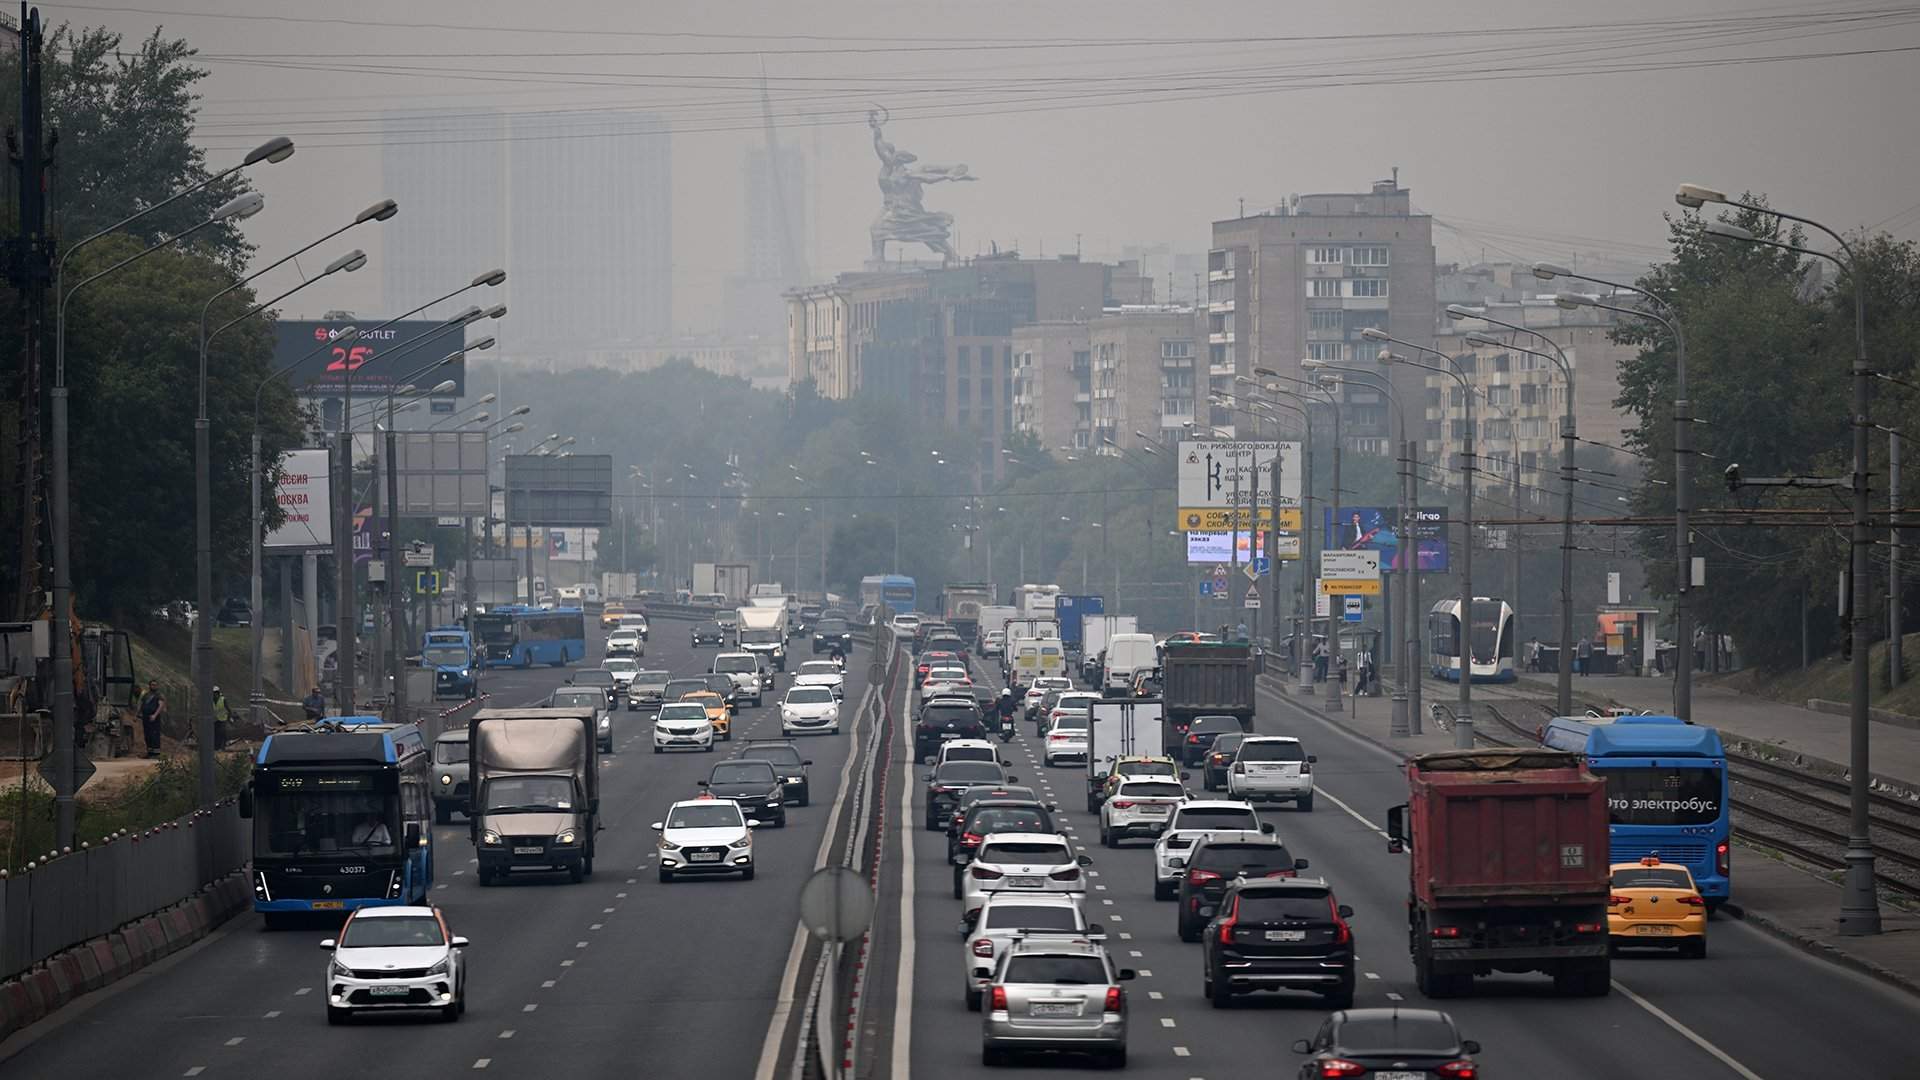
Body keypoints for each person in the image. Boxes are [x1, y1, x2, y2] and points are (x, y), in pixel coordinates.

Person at [137, 679, 167, 758]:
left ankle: (156, 753)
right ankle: (149, 752)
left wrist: (155, 715)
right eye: (152, 685)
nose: (153, 686)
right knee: (147, 735)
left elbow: (161, 705)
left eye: (155, 685)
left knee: (154, 734)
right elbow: (141, 704)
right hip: (145, 717)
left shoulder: (158, 695)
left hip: (154, 717)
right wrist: (138, 713)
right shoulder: (146, 695)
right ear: (149, 685)